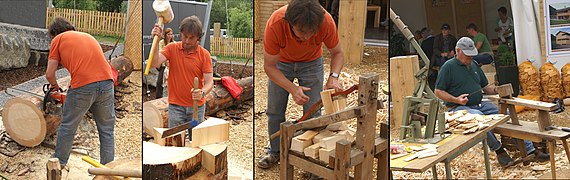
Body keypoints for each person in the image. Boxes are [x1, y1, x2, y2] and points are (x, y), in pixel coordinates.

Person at [435, 37, 550, 168]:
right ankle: (499, 151)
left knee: (507, 115)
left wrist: (497, 89)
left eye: (472, 56)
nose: (470, 59)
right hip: (458, 108)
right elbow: (438, 91)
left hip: (479, 104)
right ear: (457, 51)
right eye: (467, 56)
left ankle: (531, 150)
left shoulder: (473, 65)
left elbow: (485, 87)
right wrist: (456, 100)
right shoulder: (448, 67)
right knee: (479, 120)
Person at [258, 0, 344, 169]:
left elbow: (338, 53)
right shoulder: (276, 23)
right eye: (301, 31)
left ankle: (313, 158)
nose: (307, 37)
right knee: (275, 111)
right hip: (281, 64)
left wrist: (334, 77)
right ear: (289, 22)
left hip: (312, 63)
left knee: (313, 112)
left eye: (312, 32)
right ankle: (275, 150)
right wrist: (291, 88)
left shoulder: (325, 20)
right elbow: (269, 66)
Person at [46, 17, 116, 166]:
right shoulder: (88, 36)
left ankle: (59, 162)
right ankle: (109, 168)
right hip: (107, 83)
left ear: (55, 33)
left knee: (68, 125)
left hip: (83, 85)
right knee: (107, 130)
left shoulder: (57, 39)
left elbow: (49, 74)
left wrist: (54, 86)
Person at [149, 16, 214, 137]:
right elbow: (154, 63)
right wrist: (156, 40)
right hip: (176, 107)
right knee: (175, 142)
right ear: (181, 34)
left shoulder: (204, 55)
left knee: (196, 142)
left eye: (191, 38)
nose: (187, 41)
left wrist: (202, 92)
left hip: (196, 108)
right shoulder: (172, 48)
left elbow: (210, 82)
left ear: (198, 38)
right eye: (185, 36)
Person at [429, 23, 457, 91]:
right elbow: (435, 49)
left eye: (446, 30)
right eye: (443, 30)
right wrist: (441, 54)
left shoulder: (452, 38)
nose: (444, 31)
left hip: (450, 56)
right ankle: (442, 79)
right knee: (443, 61)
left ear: (449, 31)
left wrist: (453, 51)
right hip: (439, 57)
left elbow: (456, 47)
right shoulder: (437, 38)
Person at [156, 27, 175, 98]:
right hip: (163, 65)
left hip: (172, 66)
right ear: (165, 35)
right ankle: (158, 97)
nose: (170, 36)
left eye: (171, 34)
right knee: (159, 82)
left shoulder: (174, 43)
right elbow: (161, 53)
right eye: (168, 34)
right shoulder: (161, 43)